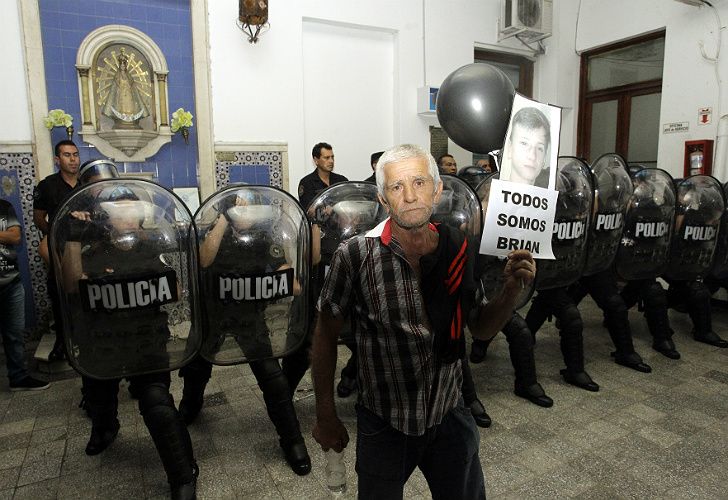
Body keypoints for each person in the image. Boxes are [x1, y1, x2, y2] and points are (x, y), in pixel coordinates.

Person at [311, 144, 536, 498]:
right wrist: (325, 414)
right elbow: (325, 335)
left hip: (449, 411)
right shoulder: (355, 256)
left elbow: (480, 328)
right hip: (385, 421)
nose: (411, 196)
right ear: (384, 199)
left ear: (437, 190)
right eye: (397, 187)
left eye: (419, 182)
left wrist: (509, 291)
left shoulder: (456, 247)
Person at [59, 182, 198, 499]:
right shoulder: (92, 251)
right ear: (108, 219)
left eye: (134, 213)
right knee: (99, 399)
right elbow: (70, 284)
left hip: (146, 342)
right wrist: (71, 239)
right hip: (103, 344)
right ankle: (106, 428)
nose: (129, 219)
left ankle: (183, 474)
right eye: (121, 213)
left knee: (158, 405)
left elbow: (175, 292)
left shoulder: (149, 250)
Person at [179, 190, 312, 476]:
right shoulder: (217, 230)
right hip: (213, 314)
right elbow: (203, 259)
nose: (245, 214)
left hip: (249, 316)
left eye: (249, 209)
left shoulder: (263, 237)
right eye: (239, 208)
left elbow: (284, 269)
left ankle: (293, 441)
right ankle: (191, 404)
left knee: (272, 378)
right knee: (196, 367)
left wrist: (290, 278)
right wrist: (225, 219)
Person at [33, 139, 80, 361]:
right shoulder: (47, 185)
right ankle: (62, 341)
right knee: (60, 293)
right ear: (57, 159)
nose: (73, 159)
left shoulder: (86, 183)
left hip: (86, 248)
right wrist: (53, 235)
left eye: (75, 155)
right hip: (60, 249)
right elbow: (38, 217)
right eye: (67, 155)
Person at [0, 199, 50, 391]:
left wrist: (7, 235)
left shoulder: (3, 206)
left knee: (14, 334)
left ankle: (18, 377)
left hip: (10, 282)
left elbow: (15, 237)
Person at [501, 107, 550, 188]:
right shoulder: (488, 197)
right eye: (524, 143)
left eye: (539, 148)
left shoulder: (555, 199)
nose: (532, 156)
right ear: (510, 149)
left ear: (544, 158)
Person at [297, 142, 349, 211]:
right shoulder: (307, 183)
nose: (331, 161)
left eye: (332, 157)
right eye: (326, 158)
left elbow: (348, 204)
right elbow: (309, 210)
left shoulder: (341, 181)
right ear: (316, 160)